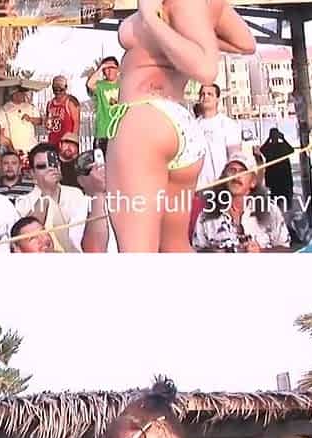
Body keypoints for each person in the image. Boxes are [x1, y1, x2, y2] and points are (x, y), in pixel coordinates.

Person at [104, 0, 255, 252]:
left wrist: (151, 19)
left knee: (137, 252)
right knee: (175, 247)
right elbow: (245, 43)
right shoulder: (208, 6)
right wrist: (187, 37)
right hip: (174, 123)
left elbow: (206, 69)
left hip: (145, 120)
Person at [192, 152, 291, 252]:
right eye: (232, 170)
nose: (236, 176)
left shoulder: (270, 211)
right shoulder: (207, 214)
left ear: (253, 182)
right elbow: (196, 251)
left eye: (243, 171)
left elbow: (285, 250)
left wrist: (260, 252)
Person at [195, 84, 242, 190]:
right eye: (202, 94)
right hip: (199, 188)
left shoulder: (228, 125)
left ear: (217, 99)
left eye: (210, 94)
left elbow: (235, 158)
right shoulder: (193, 126)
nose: (205, 97)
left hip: (222, 187)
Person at [86, 56, 120, 154]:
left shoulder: (123, 84)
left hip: (119, 133)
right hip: (103, 133)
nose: (109, 71)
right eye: (106, 68)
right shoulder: (100, 85)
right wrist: (101, 67)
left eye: (112, 67)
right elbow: (90, 84)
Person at [0, 86, 42, 154]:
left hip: (31, 148)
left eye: (23, 93)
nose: (23, 95)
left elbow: (40, 121)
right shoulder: (3, 110)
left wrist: (30, 119)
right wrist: (10, 148)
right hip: (14, 150)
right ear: (13, 94)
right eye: (20, 93)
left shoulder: (31, 107)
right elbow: (0, 134)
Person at [45, 76, 80, 147]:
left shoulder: (70, 101)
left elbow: (76, 123)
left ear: (65, 88)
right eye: (55, 89)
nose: (58, 92)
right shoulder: (50, 103)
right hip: (53, 141)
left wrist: (73, 142)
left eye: (60, 90)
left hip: (66, 142)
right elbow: (47, 122)